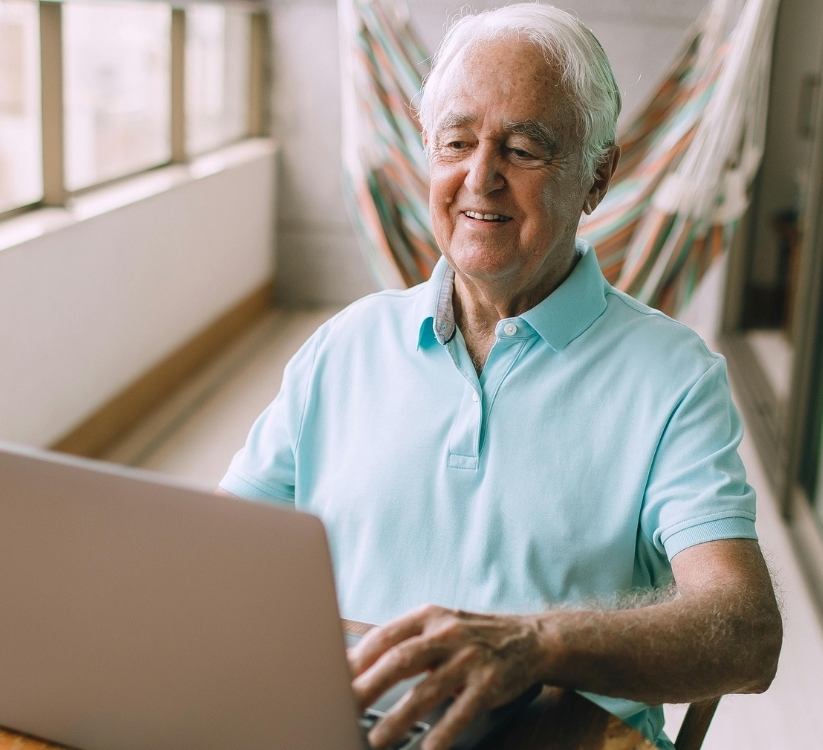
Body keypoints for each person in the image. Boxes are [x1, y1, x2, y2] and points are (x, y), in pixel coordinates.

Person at [220, 5, 782, 749]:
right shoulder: (343, 346)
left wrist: (536, 644)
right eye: (456, 142)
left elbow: (745, 632)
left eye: (523, 150)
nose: (479, 178)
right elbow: (216, 564)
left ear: (597, 177)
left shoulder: (675, 379)